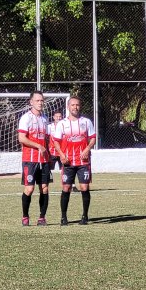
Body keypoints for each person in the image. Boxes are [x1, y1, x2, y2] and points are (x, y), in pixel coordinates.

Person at [52, 96, 95, 225]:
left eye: (77, 105)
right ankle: (63, 217)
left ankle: (85, 216)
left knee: (84, 187)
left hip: (83, 162)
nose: (75, 107)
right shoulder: (62, 124)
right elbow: (56, 142)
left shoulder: (86, 122)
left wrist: (87, 149)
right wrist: (61, 155)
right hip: (68, 162)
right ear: (68, 107)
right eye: (72, 105)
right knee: (66, 188)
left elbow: (92, 138)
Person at [18, 90, 51, 226]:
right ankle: (25, 216)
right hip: (29, 160)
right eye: (37, 100)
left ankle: (42, 218)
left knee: (44, 188)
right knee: (29, 189)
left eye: (42, 100)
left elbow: (47, 139)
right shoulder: (26, 118)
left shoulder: (45, 119)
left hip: (44, 160)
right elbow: (21, 138)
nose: (40, 103)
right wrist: (38, 146)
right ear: (31, 102)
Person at [48, 110, 76, 192]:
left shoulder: (65, 126)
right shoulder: (49, 127)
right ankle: (44, 186)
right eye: (56, 116)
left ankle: (72, 186)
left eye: (60, 116)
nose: (58, 118)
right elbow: (46, 139)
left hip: (63, 153)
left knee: (68, 169)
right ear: (53, 117)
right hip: (52, 152)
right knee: (47, 169)